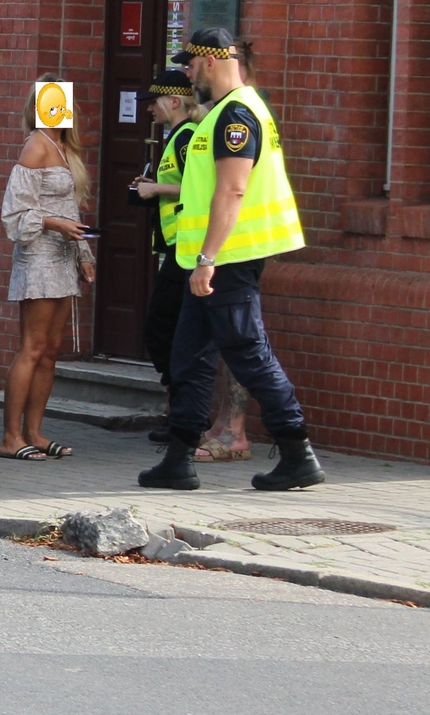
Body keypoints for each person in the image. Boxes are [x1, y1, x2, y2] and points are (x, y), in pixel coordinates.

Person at [139, 27, 324, 491]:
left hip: (229, 257)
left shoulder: (237, 115)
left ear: (213, 62)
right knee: (189, 358)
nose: (187, 73)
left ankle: (298, 452)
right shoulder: (220, 113)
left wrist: (207, 258)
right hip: (214, 257)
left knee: (248, 352)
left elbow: (233, 189)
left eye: (191, 65)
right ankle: (179, 459)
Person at [0, 79, 97, 461]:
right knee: (33, 346)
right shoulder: (36, 144)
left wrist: (84, 253)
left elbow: (72, 211)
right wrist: (55, 225)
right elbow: (15, 212)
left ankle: (35, 431)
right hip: (38, 254)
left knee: (52, 350)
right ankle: (11, 436)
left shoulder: (65, 147)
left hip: (63, 256)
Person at [132, 62, 199, 442]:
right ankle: (179, 411)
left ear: (174, 100)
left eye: (154, 101)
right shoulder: (178, 135)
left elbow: (200, 188)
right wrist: (153, 186)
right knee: (167, 329)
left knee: (161, 328)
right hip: (177, 246)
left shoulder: (189, 136)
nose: (149, 108)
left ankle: (183, 411)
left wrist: (156, 190)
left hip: (187, 248)